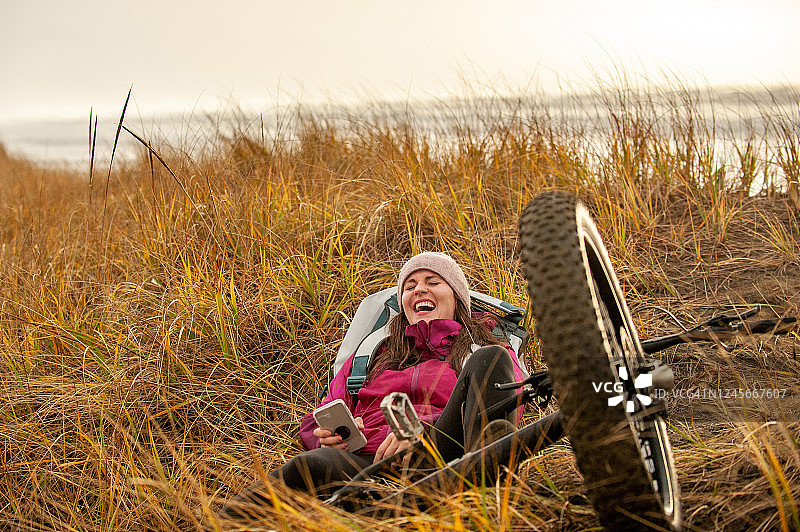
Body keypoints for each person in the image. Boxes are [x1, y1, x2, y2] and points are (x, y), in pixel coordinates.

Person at [220, 252, 526, 517]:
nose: (420, 289)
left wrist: (423, 429)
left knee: (491, 360)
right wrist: (324, 437)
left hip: (450, 450)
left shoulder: (483, 344)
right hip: (370, 462)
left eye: (433, 282)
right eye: (410, 286)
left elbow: (513, 399)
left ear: (458, 297)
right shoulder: (372, 352)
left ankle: (485, 477)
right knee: (310, 463)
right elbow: (316, 419)